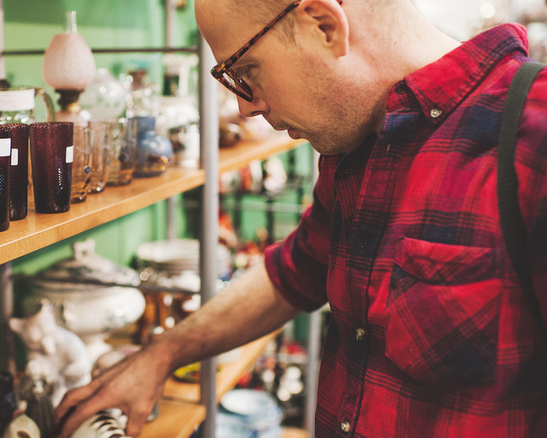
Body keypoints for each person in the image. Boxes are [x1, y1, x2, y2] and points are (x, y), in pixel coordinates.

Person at [55, 0, 547, 436]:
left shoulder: (533, 139)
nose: (247, 107)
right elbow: (295, 271)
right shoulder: (361, 140)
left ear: (323, 25)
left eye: (246, 71)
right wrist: (161, 355)